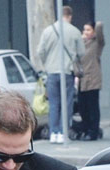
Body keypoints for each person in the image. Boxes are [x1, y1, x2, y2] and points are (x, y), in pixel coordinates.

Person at [37, 5, 85, 144]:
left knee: (54, 103)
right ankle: (63, 132)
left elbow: (40, 51)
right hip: (67, 72)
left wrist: (47, 63)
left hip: (52, 72)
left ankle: (54, 133)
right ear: (69, 16)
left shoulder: (48, 31)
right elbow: (82, 53)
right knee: (67, 103)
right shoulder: (74, 31)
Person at [74, 21, 105, 141]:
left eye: (88, 30)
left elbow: (100, 31)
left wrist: (97, 25)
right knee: (83, 108)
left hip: (93, 80)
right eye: (84, 30)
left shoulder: (97, 43)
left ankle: (93, 132)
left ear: (93, 32)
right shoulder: (80, 44)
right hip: (82, 80)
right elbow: (75, 60)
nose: (85, 32)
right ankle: (86, 129)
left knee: (93, 107)